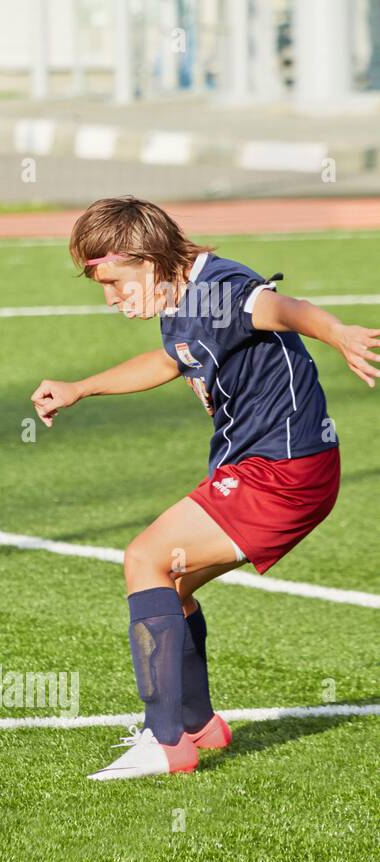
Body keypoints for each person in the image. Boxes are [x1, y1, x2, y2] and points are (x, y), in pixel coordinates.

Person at [30, 196, 379, 780]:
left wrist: (337, 332)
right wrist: (80, 387)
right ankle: (197, 724)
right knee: (173, 582)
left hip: (284, 472)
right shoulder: (180, 293)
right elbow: (171, 361)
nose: (112, 298)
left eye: (115, 282)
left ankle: (166, 743)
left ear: (147, 257)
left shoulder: (220, 287)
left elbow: (283, 308)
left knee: (144, 558)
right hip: (269, 467)